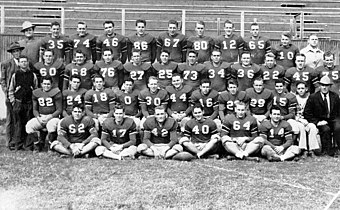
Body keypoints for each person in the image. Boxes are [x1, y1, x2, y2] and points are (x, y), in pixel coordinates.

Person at [304, 75, 340, 157]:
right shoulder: (313, 97)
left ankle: (337, 148)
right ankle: (326, 151)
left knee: (338, 127)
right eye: (322, 85)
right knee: (325, 129)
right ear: (319, 86)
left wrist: (337, 120)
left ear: (330, 86)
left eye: (326, 85)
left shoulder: (335, 96)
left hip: (333, 119)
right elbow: (307, 113)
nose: (324, 87)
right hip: (320, 120)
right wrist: (317, 122)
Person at [8, 55, 38, 150]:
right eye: (22, 62)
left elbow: (36, 88)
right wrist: (13, 101)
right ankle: (18, 145)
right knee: (18, 124)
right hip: (19, 102)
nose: (24, 63)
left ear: (28, 63)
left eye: (25, 61)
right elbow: (11, 90)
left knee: (29, 123)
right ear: (19, 63)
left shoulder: (32, 75)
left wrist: (34, 101)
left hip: (29, 103)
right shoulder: (15, 75)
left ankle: (28, 145)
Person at [26, 76, 62, 152]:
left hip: (53, 116)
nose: (46, 86)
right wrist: (38, 117)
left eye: (48, 84)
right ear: (41, 84)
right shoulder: (36, 93)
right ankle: (37, 145)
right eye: (44, 84)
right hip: (41, 116)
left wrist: (50, 117)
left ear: (52, 84)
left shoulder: (56, 92)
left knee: (51, 125)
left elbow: (59, 110)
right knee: (29, 126)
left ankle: (50, 146)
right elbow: (35, 110)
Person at [0, 42, 24, 149]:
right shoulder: (6, 64)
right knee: (10, 118)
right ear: (12, 53)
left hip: (22, 95)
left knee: (20, 118)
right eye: (14, 51)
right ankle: (9, 141)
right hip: (11, 94)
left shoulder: (24, 62)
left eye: (18, 51)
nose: (17, 53)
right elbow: (3, 80)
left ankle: (19, 140)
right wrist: (6, 93)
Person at [295, 81, 320, 158]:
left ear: (306, 89)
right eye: (299, 88)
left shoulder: (310, 97)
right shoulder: (294, 98)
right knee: (301, 128)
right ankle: (304, 149)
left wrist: (309, 120)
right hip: (297, 119)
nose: (301, 90)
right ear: (296, 89)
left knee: (312, 127)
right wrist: (299, 119)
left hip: (308, 119)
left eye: (302, 88)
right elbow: (293, 113)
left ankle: (311, 149)